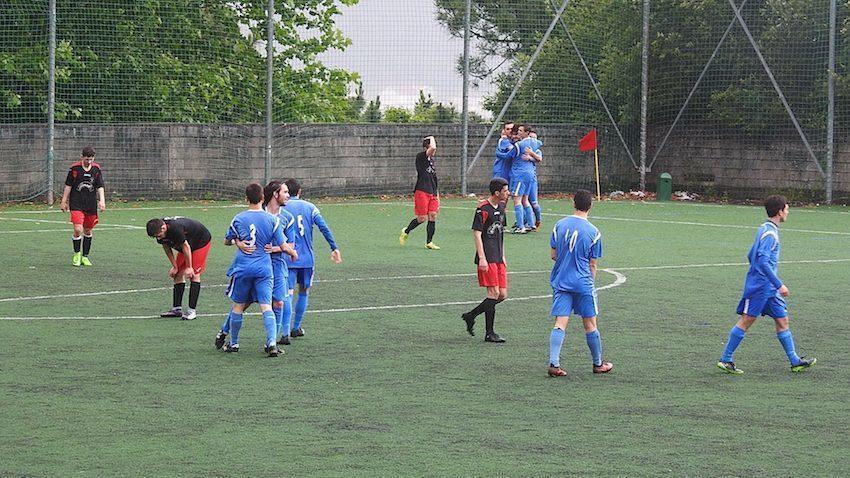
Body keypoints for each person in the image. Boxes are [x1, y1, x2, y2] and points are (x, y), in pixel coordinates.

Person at [717, 195, 817, 375]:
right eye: (786, 209)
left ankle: (795, 361)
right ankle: (725, 359)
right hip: (761, 288)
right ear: (779, 211)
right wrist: (778, 284)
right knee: (746, 320)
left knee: (782, 320)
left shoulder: (764, 228)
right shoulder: (770, 234)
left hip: (768, 288)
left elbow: (751, 255)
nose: (788, 212)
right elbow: (762, 261)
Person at [547, 190, 613, 377]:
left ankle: (554, 363)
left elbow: (553, 255)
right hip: (583, 282)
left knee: (560, 322)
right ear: (590, 206)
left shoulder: (559, 225)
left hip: (561, 281)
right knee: (590, 324)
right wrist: (590, 283)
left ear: (573, 203)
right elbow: (593, 264)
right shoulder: (594, 232)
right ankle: (598, 364)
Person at [214, 183, 285, 357]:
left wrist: (237, 242)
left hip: (243, 267)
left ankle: (234, 344)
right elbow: (282, 245)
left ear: (246, 199)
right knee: (266, 306)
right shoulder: (273, 220)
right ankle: (272, 343)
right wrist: (292, 252)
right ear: (263, 198)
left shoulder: (238, 218)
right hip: (264, 269)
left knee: (238, 306)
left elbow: (226, 240)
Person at [283, 178, 342, 338]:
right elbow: (324, 227)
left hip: (288, 258)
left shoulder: (281, 207)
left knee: (287, 293)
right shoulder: (310, 207)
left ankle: (284, 332)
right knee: (303, 291)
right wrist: (334, 247)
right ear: (299, 191)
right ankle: (296, 327)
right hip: (307, 260)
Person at [461, 177, 510, 343]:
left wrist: (503, 255)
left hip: (498, 256)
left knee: (502, 295)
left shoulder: (502, 207)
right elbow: (477, 234)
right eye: (505, 191)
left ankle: (471, 315)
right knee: (493, 293)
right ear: (497, 193)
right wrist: (482, 258)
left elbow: (500, 233)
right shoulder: (482, 209)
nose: (508, 193)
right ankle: (490, 333)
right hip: (487, 257)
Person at [146, 216, 212, 321]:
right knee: (177, 274)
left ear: (163, 228)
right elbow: (166, 247)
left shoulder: (175, 228)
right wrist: (175, 266)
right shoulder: (159, 231)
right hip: (186, 243)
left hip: (200, 242)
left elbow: (186, 246)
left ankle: (192, 311)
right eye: (156, 237)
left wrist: (189, 267)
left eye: (158, 235)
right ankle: (176, 309)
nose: (158, 238)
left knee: (193, 274)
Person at [261, 180, 298, 346]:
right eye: (285, 192)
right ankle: (227, 334)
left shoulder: (287, 217)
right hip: (257, 265)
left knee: (279, 301)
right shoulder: (259, 213)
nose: (288, 196)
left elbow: (291, 245)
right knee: (242, 303)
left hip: (277, 265)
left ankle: (276, 340)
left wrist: (275, 248)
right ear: (275, 194)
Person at [59, 146, 105, 266]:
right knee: (78, 229)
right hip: (76, 203)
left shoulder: (96, 169)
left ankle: (85, 256)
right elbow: (68, 185)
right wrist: (64, 201)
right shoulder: (74, 169)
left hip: (90, 204)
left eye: (91, 159)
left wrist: (102, 201)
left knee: (88, 230)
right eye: (86, 159)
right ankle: (77, 254)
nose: (89, 161)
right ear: (82, 157)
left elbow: (100, 186)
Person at [399, 136, 441, 250]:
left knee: (433, 215)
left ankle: (429, 242)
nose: (435, 150)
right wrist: (432, 138)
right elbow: (433, 147)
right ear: (426, 147)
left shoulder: (432, 162)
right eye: (431, 147)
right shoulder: (421, 157)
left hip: (432, 192)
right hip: (422, 191)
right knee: (422, 218)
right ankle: (406, 231)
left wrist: (437, 196)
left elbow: (434, 180)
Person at [509, 125, 542, 234]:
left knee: (517, 200)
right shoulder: (536, 144)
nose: (518, 132)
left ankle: (521, 226)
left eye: (520, 130)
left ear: (526, 132)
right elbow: (538, 157)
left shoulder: (520, 144)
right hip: (530, 175)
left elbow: (508, 155)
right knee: (525, 200)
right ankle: (531, 224)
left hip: (520, 174)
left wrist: (505, 149)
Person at [525, 130, 543, 231]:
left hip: (532, 180)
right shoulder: (523, 147)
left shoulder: (537, 151)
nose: (532, 140)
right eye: (530, 138)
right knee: (523, 201)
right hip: (522, 178)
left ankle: (538, 220)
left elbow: (539, 159)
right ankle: (526, 222)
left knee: (534, 203)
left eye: (534, 138)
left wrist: (530, 156)